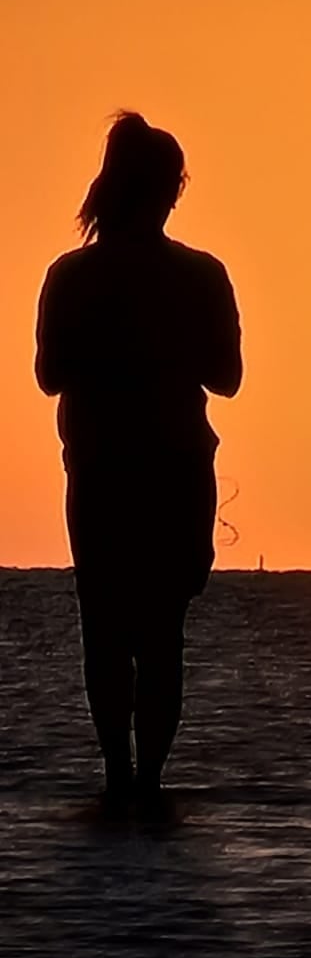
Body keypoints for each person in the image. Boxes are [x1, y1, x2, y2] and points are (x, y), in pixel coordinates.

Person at [35, 112, 242, 818]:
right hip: (176, 470)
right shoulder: (201, 275)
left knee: (104, 626)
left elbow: (48, 375)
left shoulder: (70, 276)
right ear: (171, 192)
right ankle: (149, 781)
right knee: (161, 634)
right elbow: (229, 378)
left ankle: (117, 776)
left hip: (99, 472)